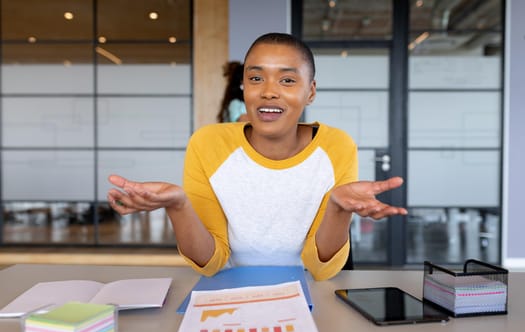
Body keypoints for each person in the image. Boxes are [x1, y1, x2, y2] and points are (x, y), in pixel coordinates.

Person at [107, 32, 407, 281]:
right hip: (230, 293)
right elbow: (211, 262)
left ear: (311, 91)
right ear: (244, 87)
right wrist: (178, 205)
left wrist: (338, 209)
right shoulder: (207, 143)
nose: (268, 92)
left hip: (312, 293)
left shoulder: (337, 146)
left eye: (287, 81)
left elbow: (321, 268)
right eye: (255, 78)